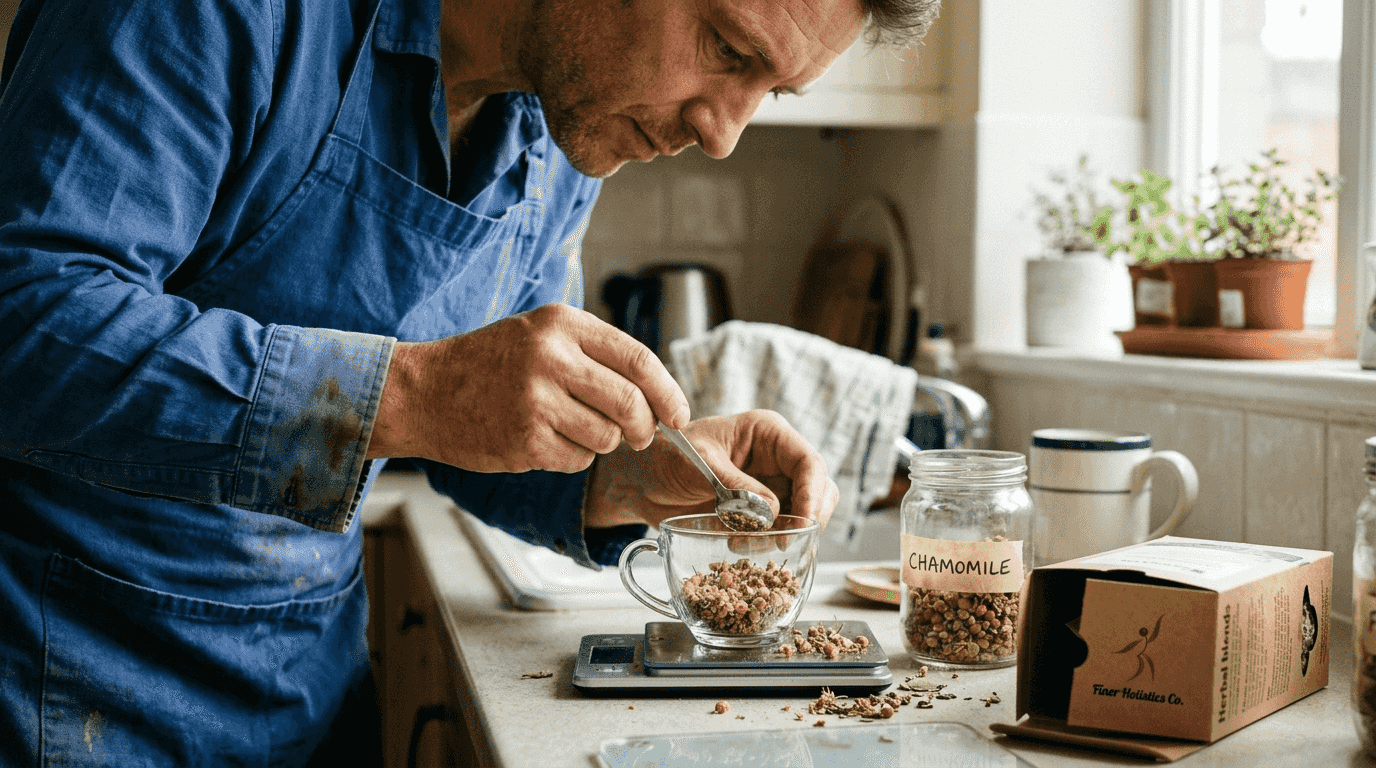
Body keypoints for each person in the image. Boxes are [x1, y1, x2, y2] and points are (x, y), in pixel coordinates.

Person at [0, 0, 939, 763]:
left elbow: (471, 435)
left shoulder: (568, 122)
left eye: (769, 92)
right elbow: (27, 318)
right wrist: (414, 394)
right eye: (726, 46)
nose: (723, 131)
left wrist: (619, 477)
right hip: (67, 680)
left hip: (307, 687)